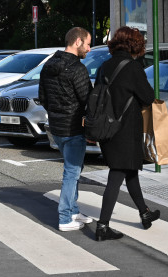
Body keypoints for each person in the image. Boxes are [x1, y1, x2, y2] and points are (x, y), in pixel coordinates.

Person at [95, 26, 159, 241]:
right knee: (117, 175)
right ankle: (102, 226)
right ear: (135, 45)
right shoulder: (132, 68)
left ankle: (145, 213)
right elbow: (148, 97)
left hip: (107, 128)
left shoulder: (104, 67)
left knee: (129, 171)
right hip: (126, 130)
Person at [39, 27, 93, 231]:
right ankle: (65, 218)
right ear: (77, 42)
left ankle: (73, 210)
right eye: (87, 43)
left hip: (56, 127)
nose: (89, 48)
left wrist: (56, 113)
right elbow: (87, 98)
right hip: (73, 127)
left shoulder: (48, 65)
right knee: (72, 172)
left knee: (75, 169)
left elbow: (43, 97)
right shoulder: (77, 68)